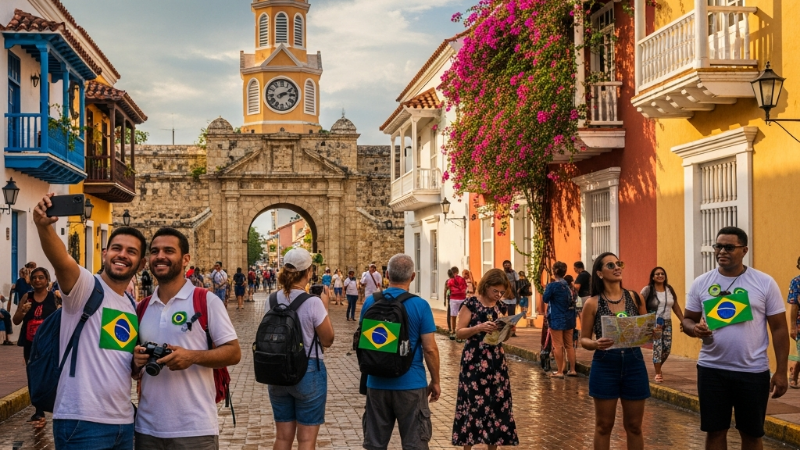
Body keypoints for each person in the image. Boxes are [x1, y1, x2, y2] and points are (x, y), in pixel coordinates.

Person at [34, 193, 146, 450]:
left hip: (123, 421)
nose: (122, 255)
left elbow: (118, 360)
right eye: (117, 248)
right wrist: (43, 226)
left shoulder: (131, 306)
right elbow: (62, 261)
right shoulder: (86, 287)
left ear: (140, 264)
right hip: (81, 422)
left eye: (131, 252)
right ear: (105, 253)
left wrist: (137, 363)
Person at [133, 227, 240, 450]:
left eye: (168, 250)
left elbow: (233, 352)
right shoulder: (141, 308)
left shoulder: (206, 301)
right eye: (154, 251)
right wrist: (136, 361)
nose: (160, 256)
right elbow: (131, 369)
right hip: (146, 429)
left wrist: (190, 357)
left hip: (195, 429)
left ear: (185, 259)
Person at [682, 227, 788, 450]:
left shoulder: (764, 282)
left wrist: (780, 371)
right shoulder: (701, 283)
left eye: (729, 247)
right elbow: (687, 319)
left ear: (744, 250)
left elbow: (778, 328)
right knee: (715, 431)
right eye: (718, 246)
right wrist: (694, 330)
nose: (722, 251)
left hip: (753, 371)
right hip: (712, 369)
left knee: (752, 434)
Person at [361, 254, 440, 450]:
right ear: (412, 277)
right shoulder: (420, 305)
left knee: (375, 445)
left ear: (386, 275)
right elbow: (430, 348)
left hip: (376, 383)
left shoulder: (371, 302)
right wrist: (436, 381)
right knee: (415, 444)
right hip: (411, 384)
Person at [579, 252, 654, 450]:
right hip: (605, 363)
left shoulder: (634, 297)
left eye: (619, 263)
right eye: (610, 265)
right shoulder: (592, 303)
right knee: (604, 426)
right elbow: (583, 339)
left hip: (634, 362)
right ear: (600, 273)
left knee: (635, 426)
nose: (617, 268)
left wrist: (653, 331)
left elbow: (646, 328)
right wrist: (595, 344)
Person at [267, 248, 334, 450]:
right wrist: (325, 307)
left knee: (282, 437)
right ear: (308, 272)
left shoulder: (271, 300)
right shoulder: (313, 302)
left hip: (277, 371)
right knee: (306, 440)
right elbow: (328, 339)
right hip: (309, 370)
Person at [453, 268, 518, 448]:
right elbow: (459, 333)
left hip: (496, 360)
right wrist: (479, 327)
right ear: (486, 286)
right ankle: (468, 446)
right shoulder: (471, 304)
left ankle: (493, 446)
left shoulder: (500, 306)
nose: (498, 295)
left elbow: (502, 336)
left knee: (496, 405)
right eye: (495, 291)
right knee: (472, 404)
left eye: (502, 292)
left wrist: (508, 331)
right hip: (474, 360)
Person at [13, 267, 59, 428]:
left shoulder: (54, 297)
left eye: (41, 277)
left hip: (49, 344)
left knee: (50, 373)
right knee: (33, 374)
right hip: (30, 343)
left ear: (47, 280)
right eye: (34, 278)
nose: (37, 280)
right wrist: (23, 312)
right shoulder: (27, 296)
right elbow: (16, 321)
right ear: (30, 281)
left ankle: (52, 405)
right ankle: (38, 410)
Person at [641, 267, 684, 383]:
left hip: (667, 322)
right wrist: (646, 322)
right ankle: (658, 373)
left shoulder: (669, 289)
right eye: (657, 274)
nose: (660, 275)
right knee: (657, 347)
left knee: (667, 349)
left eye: (662, 274)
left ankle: (658, 366)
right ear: (653, 277)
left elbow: (675, 306)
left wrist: (683, 320)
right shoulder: (648, 289)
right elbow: (640, 304)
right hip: (655, 323)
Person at [543, 262, 577, 378]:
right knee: (569, 345)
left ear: (554, 271)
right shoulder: (568, 286)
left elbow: (545, 299)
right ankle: (572, 370)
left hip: (556, 317)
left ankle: (560, 371)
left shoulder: (552, 286)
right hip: (569, 318)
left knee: (557, 345)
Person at [788, 257, 800, 389]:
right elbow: (793, 305)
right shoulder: (796, 282)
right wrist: (792, 327)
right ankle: (795, 374)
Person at [447, 266, 468, 342]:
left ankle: (453, 331)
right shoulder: (462, 279)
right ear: (458, 271)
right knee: (462, 316)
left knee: (453, 315)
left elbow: (449, 287)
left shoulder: (450, 280)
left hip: (453, 298)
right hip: (462, 298)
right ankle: (461, 332)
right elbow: (465, 287)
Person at [444, 269, 453, 334]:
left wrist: (444, 299)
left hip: (450, 298)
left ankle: (450, 328)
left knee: (449, 313)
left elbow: (445, 291)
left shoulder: (447, 281)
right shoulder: (455, 281)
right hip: (453, 298)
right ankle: (451, 328)